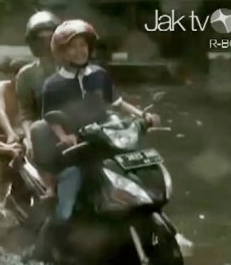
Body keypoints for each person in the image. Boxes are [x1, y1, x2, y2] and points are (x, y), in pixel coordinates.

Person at [28, 19, 160, 261]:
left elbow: (117, 103)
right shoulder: (53, 85)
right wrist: (64, 136)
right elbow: (52, 118)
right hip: (76, 149)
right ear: (61, 52)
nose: (79, 51)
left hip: (105, 139)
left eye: (83, 45)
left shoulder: (99, 75)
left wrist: (143, 116)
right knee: (65, 208)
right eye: (72, 47)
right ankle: (40, 254)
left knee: (137, 178)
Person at [15, 10, 62, 196]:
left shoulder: (75, 66)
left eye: (50, 37)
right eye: (40, 39)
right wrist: (29, 139)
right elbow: (25, 114)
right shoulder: (26, 75)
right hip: (43, 133)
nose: (46, 43)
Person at [0, 58, 27, 202]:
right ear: (10, 76)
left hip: (16, 133)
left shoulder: (27, 90)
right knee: (2, 173)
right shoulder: (1, 88)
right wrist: (10, 133)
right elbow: (0, 111)